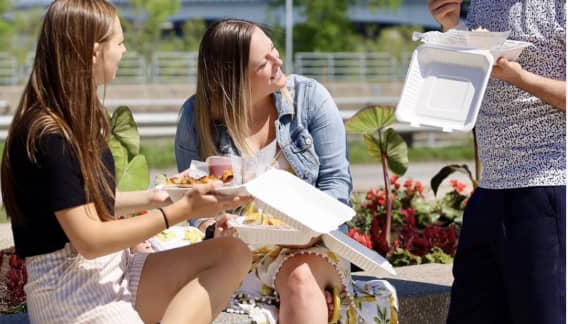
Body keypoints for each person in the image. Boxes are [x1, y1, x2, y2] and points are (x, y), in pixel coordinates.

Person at [0, 1, 252, 323]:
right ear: (94, 51)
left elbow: (81, 203)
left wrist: (157, 196)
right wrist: (181, 211)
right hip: (68, 292)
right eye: (119, 42)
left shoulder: (74, 119)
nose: (125, 50)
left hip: (112, 271)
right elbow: (89, 240)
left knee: (233, 252)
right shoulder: (47, 134)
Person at [175, 19, 397, 324]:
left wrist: (311, 229)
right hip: (235, 248)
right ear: (233, 78)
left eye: (273, 48)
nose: (278, 61)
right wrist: (213, 229)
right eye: (263, 62)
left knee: (300, 279)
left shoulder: (310, 99)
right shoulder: (195, 116)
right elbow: (192, 204)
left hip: (314, 241)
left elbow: (336, 183)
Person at [427, 1, 565, 323]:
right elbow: (479, 75)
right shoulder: (482, 4)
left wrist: (522, 79)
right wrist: (451, 28)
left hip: (549, 186)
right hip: (490, 190)